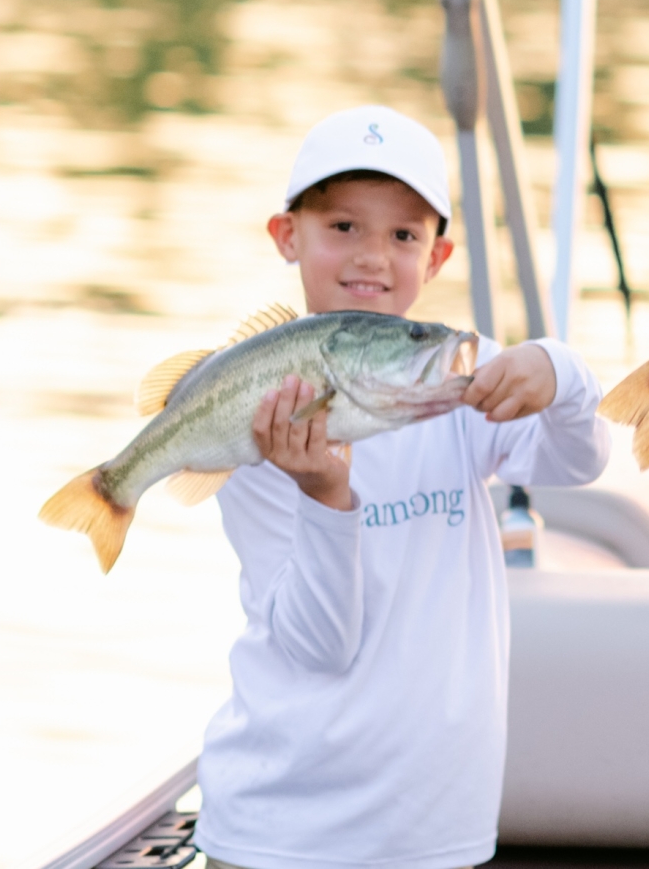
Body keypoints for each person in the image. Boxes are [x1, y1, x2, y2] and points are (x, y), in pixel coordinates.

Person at [192, 105, 611, 869]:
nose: (373, 258)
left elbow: (581, 460)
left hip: (436, 835)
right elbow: (318, 646)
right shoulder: (259, 416)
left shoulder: (454, 387)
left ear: (440, 256)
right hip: (278, 837)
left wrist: (561, 372)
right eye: (343, 226)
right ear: (288, 237)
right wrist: (325, 496)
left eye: (403, 235)